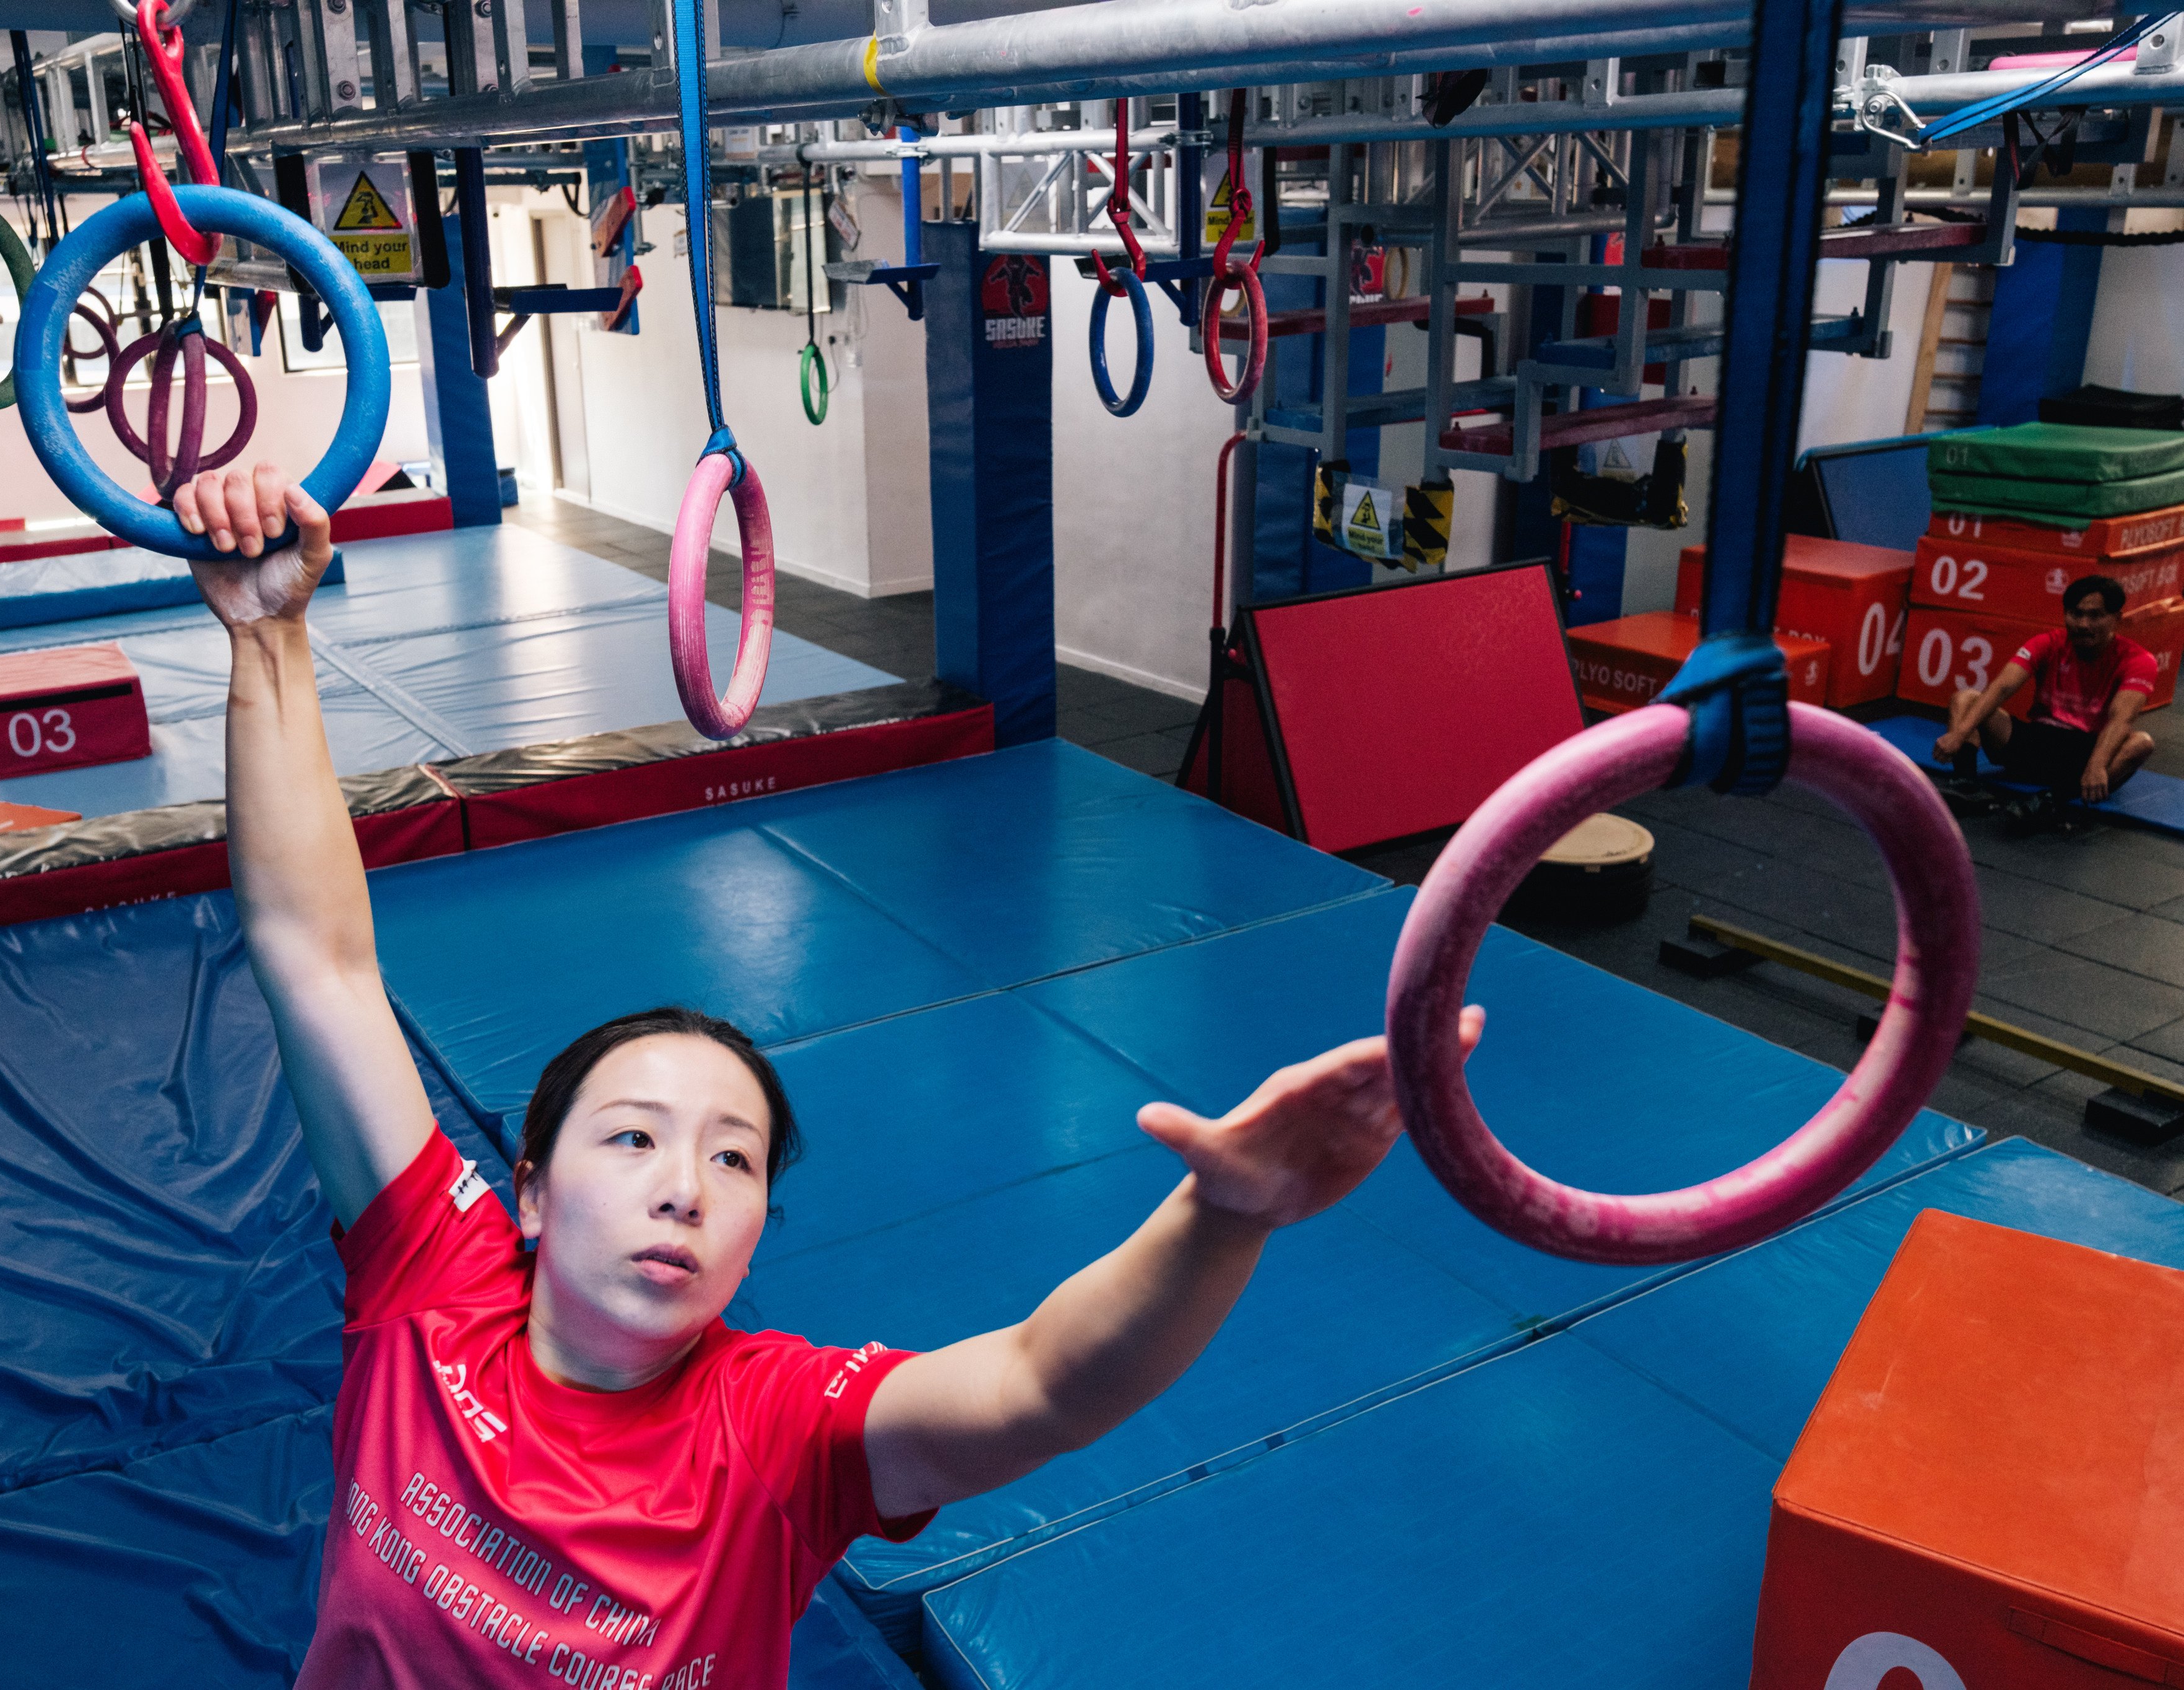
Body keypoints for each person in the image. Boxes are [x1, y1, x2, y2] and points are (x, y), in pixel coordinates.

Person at [176, 461, 1481, 1690]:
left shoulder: (776, 1429)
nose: (684, 1186)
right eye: (632, 1139)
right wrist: (267, 641)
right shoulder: (431, 1279)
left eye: (731, 1159)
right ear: (525, 1191)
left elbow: (1040, 1383)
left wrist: (1223, 1218)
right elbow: (318, 958)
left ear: (755, 1240)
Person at [1934, 573, 2158, 808]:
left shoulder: (2139, 660)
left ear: (2116, 619)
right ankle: (1967, 785)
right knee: (1966, 698)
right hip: (2036, 744)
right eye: (2076, 614)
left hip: (2084, 755)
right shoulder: (2048, 643)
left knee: (2141, 743)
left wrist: (2097, 766)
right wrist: (1959, 734)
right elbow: (2002, 688)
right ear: (2065, 614)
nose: (2083, 624)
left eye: (2095, 616)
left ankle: (2053, 802)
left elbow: (2121, 719)